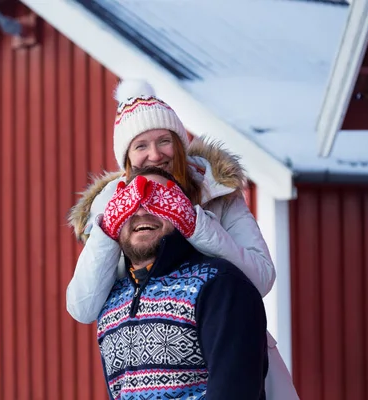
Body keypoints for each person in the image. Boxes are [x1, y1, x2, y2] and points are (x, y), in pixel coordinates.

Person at [67, 79, 299, 399]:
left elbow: (258, 279)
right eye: (140, 145)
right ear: (126, 160)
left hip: (226, 353)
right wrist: (108, 228)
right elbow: (83, 306)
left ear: (180, 143)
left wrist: (194, 224)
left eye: (164, 140)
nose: (154, 154)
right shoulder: (111, 206)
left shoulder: (217, 192)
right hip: (145, 357)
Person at [97, 166, 268, 399]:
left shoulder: (219, 285)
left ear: (179, 210)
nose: (142, 211)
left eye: (158, 199)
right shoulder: (111, 303)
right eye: (129, 202)